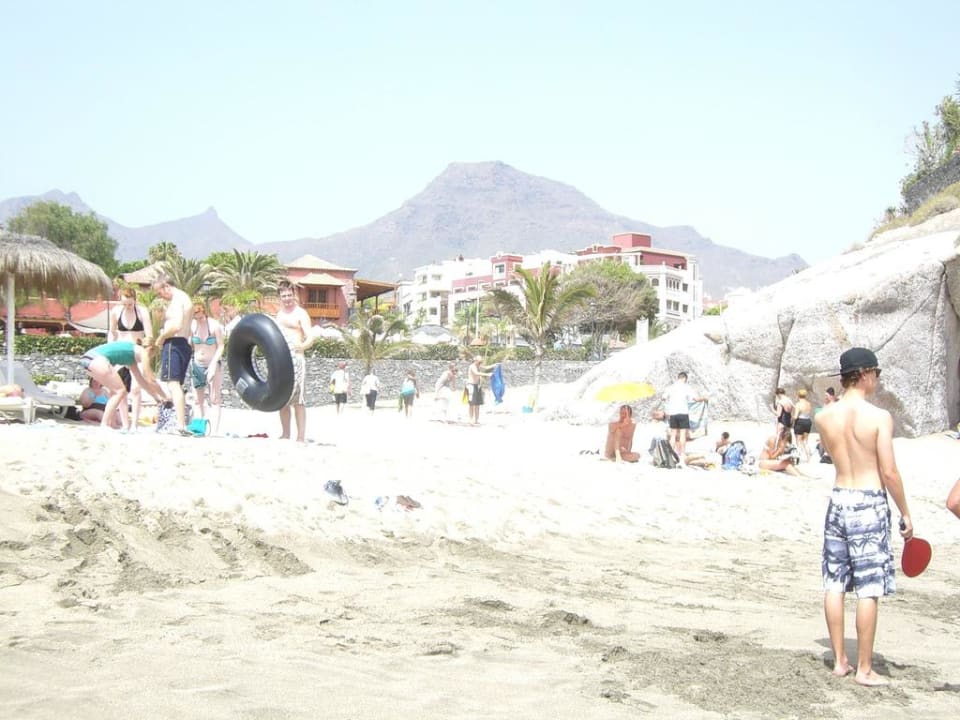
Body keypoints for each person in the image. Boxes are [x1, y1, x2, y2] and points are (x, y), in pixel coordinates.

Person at [815, 347, 913, 687]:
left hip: (839, 498)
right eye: (878, 373)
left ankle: (840, 660)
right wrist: (905, 512)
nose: (878, 379)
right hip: (869, 501)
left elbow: (833, 456)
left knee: (834, 582)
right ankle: (865, 668)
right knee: (868, 587)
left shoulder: (824, 417)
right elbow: (889, 472)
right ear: (867, 373)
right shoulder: (878, 417)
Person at [80, 341, 166, 430]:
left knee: (115, 392)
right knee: (120, 391)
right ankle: (104, 424)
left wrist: (156, 398)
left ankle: (110, 423)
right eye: (151, 357)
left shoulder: (132, 359)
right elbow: (151, 379)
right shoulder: (143, 351)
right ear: (150, 351)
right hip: (96, 358)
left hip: (88, 359)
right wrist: (165, 396)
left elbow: (141, 382)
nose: (149, 359)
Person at [152, 274, 194, 434]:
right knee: (177, 385)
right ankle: (181, 423)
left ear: (166, 287)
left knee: (173, 384)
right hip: (183, 343)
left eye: (160, 292)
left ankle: (180, 424)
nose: (160, 296)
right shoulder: (186, 298)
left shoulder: (177, 300)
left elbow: (176, 325)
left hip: (174, 343)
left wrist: (161, 337)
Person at [108, 286, 154, 430]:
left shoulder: (142, 312)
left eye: (130, 304)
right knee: (119, 389)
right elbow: (112, 333)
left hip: (136, 352)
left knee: (135, 389)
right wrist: (110, 350)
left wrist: (147, 354)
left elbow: (149, 335)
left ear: (135, 301)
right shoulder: (116, 311)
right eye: (125, 304)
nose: (127, 307)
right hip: (121, 351)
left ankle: (134, 424)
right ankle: (125, 423)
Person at [275, 281, 315, 442]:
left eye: (289, 295)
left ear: (294, 295)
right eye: (283, 296)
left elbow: (310, 337)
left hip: (297, 359)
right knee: (281, 398)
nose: (287, 298)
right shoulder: (279, 314)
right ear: (280, 297)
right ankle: (285, 434)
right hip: (281, 359)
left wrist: (302, 346)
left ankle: (300, 437)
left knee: (298, 399)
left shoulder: (301, 313)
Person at [190, 302, 225, 435]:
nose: (199, 320)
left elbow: (221, 346)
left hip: (213, 363)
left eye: (201, 317)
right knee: (197, 398)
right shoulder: (193, 326)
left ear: (205, 314)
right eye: (196, 318)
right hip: (198, 362)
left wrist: (213, 365)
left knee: (214, 398)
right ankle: (200, 427)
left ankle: (214, 431)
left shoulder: (214, 326)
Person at [661, 371, 706, 460]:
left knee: (673, 435)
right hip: (683, 413)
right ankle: (682, 453)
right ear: (685, 378)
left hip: (673, 413)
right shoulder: (686, 387)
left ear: (678, 377)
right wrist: (704, 398)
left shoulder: (671, 387)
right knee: (682, 434)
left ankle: (670, 453)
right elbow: (696, 399)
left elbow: (663, 398)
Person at [466, 356, 494, 425]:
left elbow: (486, 367)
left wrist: (495, 365)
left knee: (477, 404)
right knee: (472, 404)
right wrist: (487, 374)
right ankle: (470, 419)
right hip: (471, 385)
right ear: (475, 360)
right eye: (479, 360)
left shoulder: (478, 365)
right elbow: (476, 373)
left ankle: (476, 420)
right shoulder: (472, 366)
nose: (480, 362)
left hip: (477, 385)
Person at [792, 389, 814, 461]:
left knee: (798, 441)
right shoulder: (809, 404)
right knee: (805, 441)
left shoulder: (798, 404)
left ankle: (798, 457)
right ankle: (808, 458)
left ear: (798, 395)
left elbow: (795, 416)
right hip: (808, 421)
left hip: (800, 421)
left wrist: (791, 418)